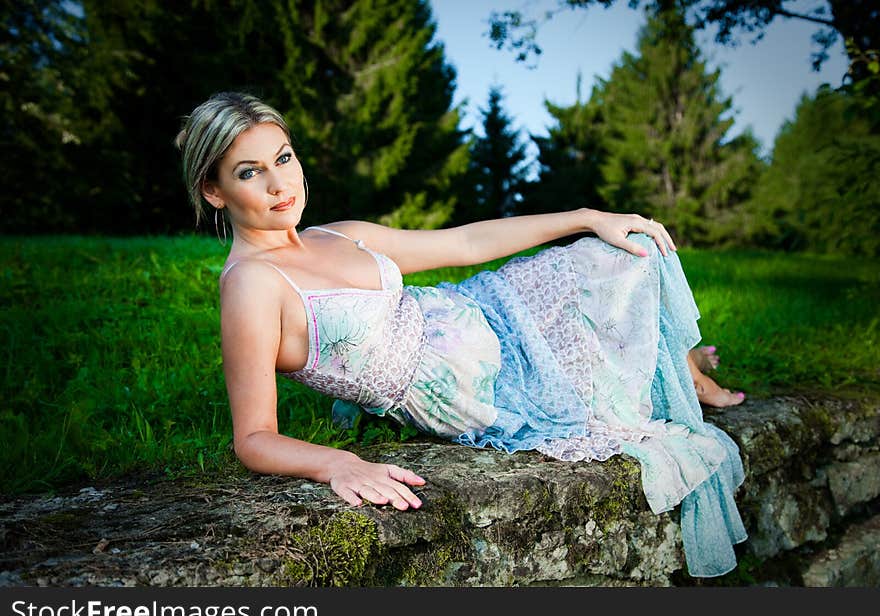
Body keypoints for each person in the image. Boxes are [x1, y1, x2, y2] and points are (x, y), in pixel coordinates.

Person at [175, 91, 747, 577]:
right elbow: (253, 438)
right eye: (250, 172)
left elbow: (464, 244)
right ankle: (681, 371)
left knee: (623, 246)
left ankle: (683, 367)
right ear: (214, 190)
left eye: (285, 158)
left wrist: (585, 215)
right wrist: (337, 462)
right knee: (616, 378)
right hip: (474, 390)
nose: (281, 184)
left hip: (479, 312)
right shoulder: (252, 283)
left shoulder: (338, 234)